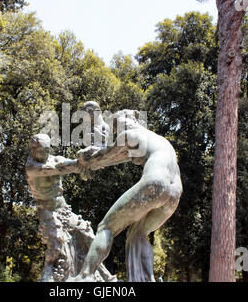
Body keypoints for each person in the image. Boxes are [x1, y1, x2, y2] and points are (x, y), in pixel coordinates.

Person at [69, 110, 183, 282]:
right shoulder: (158, 140)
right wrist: (93, 163)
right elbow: (122, 157)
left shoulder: (129, 134)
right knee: (138, 234)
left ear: (124, 122)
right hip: (175, 194)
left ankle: (84, 276)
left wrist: (86, 161)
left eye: (116, 126)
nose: (117, 131)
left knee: (106, 227)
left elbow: (107, 156)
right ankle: (145, 279)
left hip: (156, 182)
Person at [25, 134, 115, 282]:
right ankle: (47, 277)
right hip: (48, 212)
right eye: (42, 151)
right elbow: (55, 169)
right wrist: (79, 164)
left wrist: (89, 162)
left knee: (89, 236)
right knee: (56, 245)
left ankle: (102, 273)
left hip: (64, 209)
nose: (46, 154)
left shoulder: (55, 159)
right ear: (33, 150)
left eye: (48, 150)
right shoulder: (31, 168)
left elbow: (67, 164)